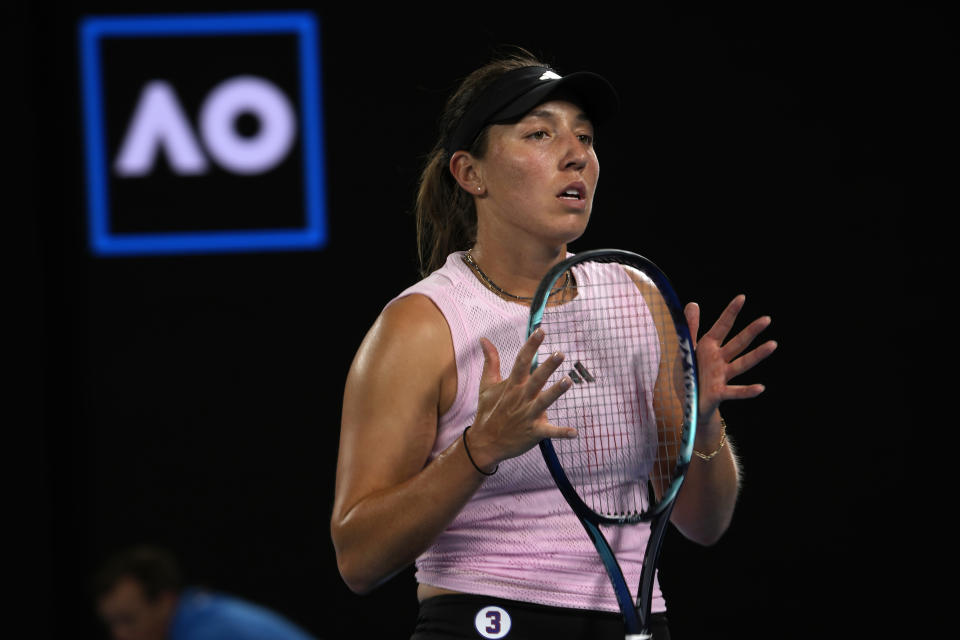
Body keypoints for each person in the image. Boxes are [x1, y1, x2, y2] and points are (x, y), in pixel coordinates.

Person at [331, 50, 776, 639]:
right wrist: (479, 449)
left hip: (636, 619)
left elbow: (705, 523)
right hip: (487, 622)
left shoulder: (637, 299)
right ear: (470, 173)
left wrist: (706, 421)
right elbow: (359, 559)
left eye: (585, 138)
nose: (577, 156)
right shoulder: (419, 327)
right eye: (539, 133)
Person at [92, 545, 318, 640]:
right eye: (111, 623)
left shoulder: (209, 633)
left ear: (164, 601)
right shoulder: (200, 612)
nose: (119, 635)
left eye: (127, 620)